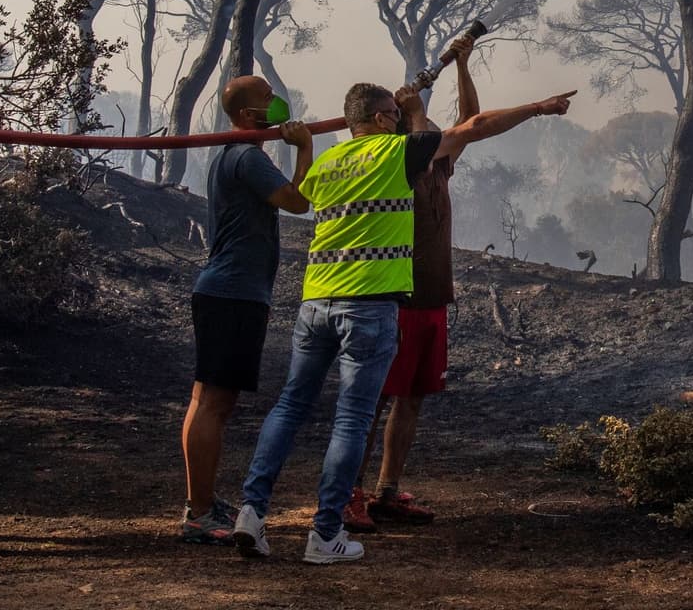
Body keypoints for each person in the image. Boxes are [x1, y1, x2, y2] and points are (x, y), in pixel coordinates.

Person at [233, 75, 576, 565]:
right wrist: (538, 106)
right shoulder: (397, 153)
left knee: (290, 407)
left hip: (315, 300)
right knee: (352, 418)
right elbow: (474, 126)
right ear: (379, 120)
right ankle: (325, 533)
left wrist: (303, 146)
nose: (399, 122)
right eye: (392, 116)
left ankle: (251, 511)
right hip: (369, 304)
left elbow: (301, 195)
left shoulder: (329, 160)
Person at [343, 34, 480, 531]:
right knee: (374, 398)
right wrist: (414, 110)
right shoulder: (391, 166)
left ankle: (386, 490)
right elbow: (426, 136)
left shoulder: (437, 164)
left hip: (432, 298)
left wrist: (463, 64)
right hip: (394, 296)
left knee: (412, 397)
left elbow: (469, 126)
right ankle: (348, 493)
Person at [178, 75, 315, 544]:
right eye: (267, 99)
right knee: (213, 404)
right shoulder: (247, 157)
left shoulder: (233, 155)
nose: (277, 103)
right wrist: (303, 149)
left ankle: (201, 501)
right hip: (233, 293)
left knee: (206, 401)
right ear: (245, 115)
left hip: (227, 291)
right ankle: (198, 513)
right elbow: (297, 202)